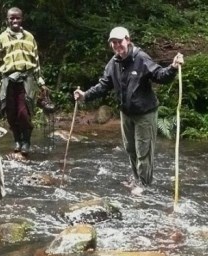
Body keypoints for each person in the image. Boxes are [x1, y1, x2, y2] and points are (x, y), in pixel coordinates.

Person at [74, 26, 184, 195]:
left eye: (119, 42)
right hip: (126, 113)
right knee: (130, 149)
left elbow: (159, 75)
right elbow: (103, 85)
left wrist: (173, 67)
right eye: (113, 43)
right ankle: (136, 178)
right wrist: (84, 96)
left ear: (128, 40)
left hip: (145, 113)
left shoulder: (140, 58)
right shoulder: (113, 63)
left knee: (143, 151)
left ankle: (144, 184)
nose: (117, 46)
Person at [0, 7, 47, 156]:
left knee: (24, 112)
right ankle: (17, 140)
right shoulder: (0, 39)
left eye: (17, 18)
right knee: (11, 113)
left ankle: (26, 141)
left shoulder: (29, 38)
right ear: (7, 20)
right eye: (11, 18)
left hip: (26, 80)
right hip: (8, 80)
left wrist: (41, 82)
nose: (14, 21)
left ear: (22, 19)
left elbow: (36, 61)